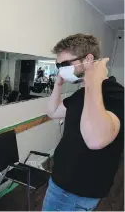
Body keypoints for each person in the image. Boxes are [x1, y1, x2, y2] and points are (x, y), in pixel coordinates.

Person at [43, 33, 124, 211]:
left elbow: (95, 140)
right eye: (58, 65)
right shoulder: (80, 95)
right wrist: (58, 84)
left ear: (88, 59)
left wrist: (92, 79)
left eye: (64, 64)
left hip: (75, 192)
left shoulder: (116, 95)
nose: (61, 69)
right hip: (60, 182)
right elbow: (53, 112)